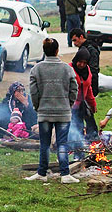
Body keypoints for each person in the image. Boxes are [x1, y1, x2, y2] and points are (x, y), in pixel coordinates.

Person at [25, 38, 79, 184]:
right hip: (63, 113)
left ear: (44, 51)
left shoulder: (36, 69)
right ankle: (65, 174)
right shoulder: (67, 69)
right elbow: (74, 89)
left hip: (44, 112)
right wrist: (68, 104)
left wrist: (38, 107)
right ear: (57, 51)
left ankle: (42, 173)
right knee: (62, 143)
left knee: (44, 143)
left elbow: (34, 92)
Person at [68, 48, 98, 158]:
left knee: (80, 129)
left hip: (80, 106)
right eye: (80, 61)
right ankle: (66, 153)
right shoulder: (69, 69)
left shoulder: (87, 71)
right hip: (68, 106)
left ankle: (79, 154)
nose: (81, 64)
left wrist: (92, 104)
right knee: (71, 129)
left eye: (85, 63)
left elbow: (88, 88)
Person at [70, 28, 100, 96]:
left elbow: (93, 69)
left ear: (81, 37)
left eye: (75, 40)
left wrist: (92, 88)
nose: (74, 43)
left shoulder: (91, 50)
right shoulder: (86, 48)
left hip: (88, 83)